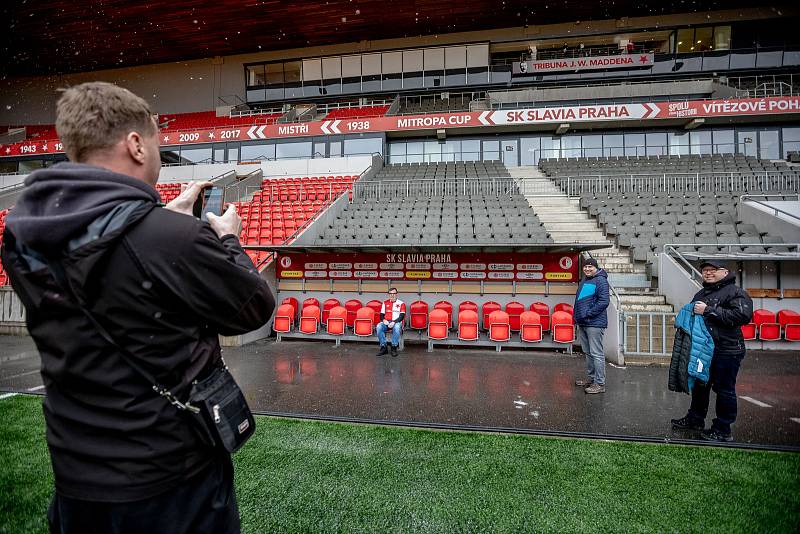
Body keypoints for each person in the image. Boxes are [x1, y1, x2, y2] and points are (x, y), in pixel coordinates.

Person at [0, 82, 275, 533]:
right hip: (168, 479)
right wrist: (226, 239)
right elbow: (253, 305)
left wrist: (163, 219)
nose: (160, 156)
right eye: (157, 144)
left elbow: (113, 270)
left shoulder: (24, 235)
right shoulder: (167, 238)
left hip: (77, 474)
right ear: (134, 144)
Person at [671, 260, 753, 442]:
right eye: (705, 270)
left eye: (712, 270)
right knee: (701, 386)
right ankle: (695, 419)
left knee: (725, 390)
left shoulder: (735, 292)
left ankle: (723, 429)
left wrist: (708, 310)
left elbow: (743, 316)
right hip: (703, 350)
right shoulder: (702, 292)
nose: (707, 273)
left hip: (727, 350)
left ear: (725, 272)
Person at [573, 258, 610, 394]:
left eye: (590, 267)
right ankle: (592, 379)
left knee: (596, 353)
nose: (587, 269)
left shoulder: (601, 280)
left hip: (594, 322)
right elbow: (579, 302)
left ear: (596, 267)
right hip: (583, 321)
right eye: (585, 267)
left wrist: (588, 313)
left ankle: (600, 383)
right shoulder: (585, 280)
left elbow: (604, 301)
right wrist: (577, 317)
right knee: (588, 352)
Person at [376, 287, 405, 357]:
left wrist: (394, 322)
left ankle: (393, 347)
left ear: (396, 294)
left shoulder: (401, 303)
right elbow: (381, 315)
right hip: (387, 322)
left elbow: (402, 316)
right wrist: (384, 320)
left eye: (394, 293)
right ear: (388, 294)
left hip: (396, 322)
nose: (392, 295)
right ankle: (383, 347)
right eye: (391, 294)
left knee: (397, 327)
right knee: (379, 326)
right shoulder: (385, 303)